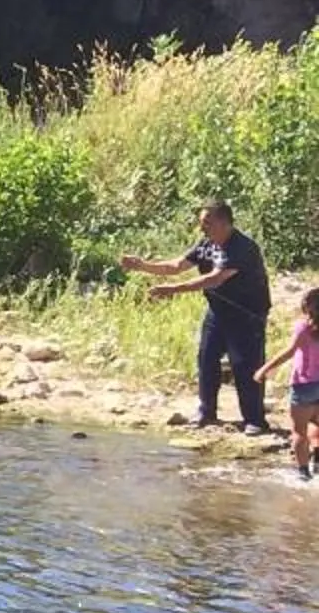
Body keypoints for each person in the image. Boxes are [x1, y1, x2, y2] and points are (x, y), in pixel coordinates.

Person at [119, 200, 274, 434]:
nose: (202, 228)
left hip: (247, 315)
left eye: (207, 223)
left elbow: (214, 278)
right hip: (218, 311)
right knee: (206, 359)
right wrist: (143, 265)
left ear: (223, 222)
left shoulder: (242, 247)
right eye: (202, 223)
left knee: (245, 365)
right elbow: (177, 265)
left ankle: (255, 419)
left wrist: (171, 290)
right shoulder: (206, 244)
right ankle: (206, 412)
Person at [260, 288, 319, 478]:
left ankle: (303, 473)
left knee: (299, 432)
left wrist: (264, 369)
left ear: (306, 307)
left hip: (304, 385)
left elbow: (289, 351)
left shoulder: (303, 327)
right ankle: (317, 462)